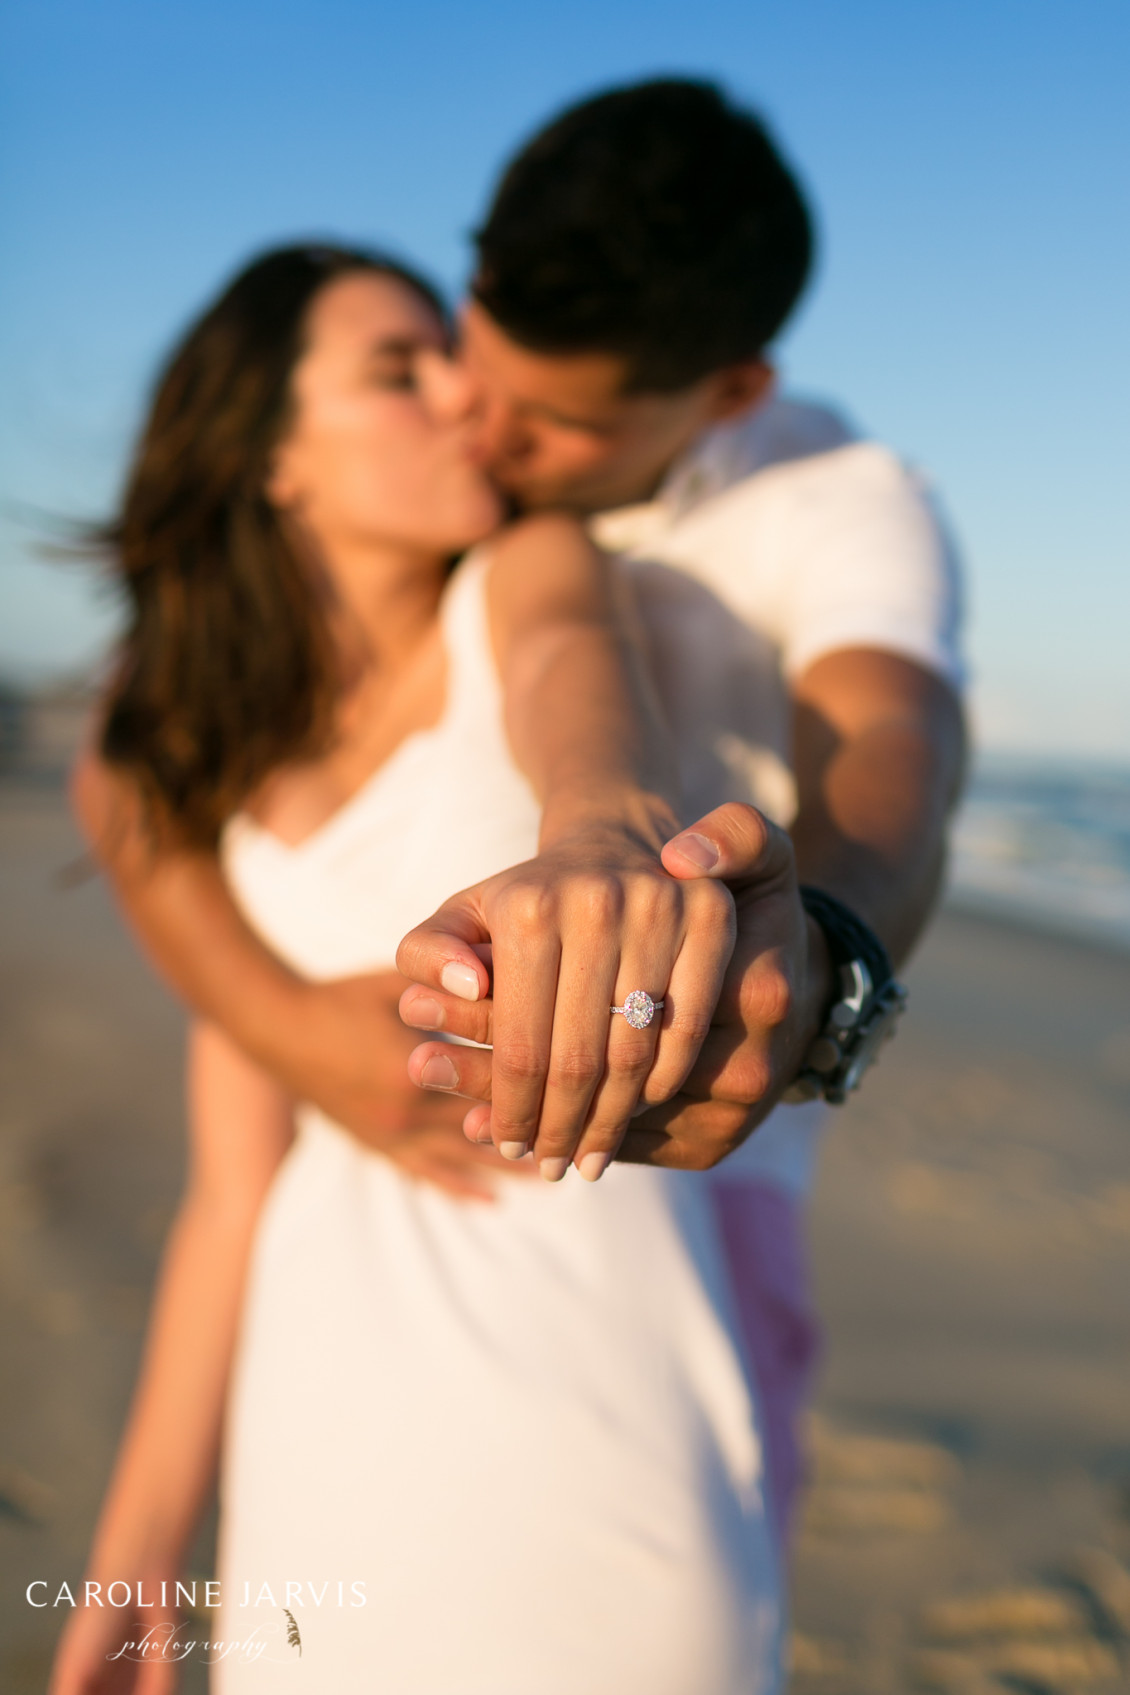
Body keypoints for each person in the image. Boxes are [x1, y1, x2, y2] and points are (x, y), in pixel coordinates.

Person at [52, 242, 787, 1695]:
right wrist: (137, 1559)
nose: (463, 393)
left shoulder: (526, 571)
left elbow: (570, 670)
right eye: (396, 370)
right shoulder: (201, 749)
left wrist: (598, 828)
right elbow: (227, 1195)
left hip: (591, 1343)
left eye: (445, 351)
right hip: (320, 1386)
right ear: (272, 458)